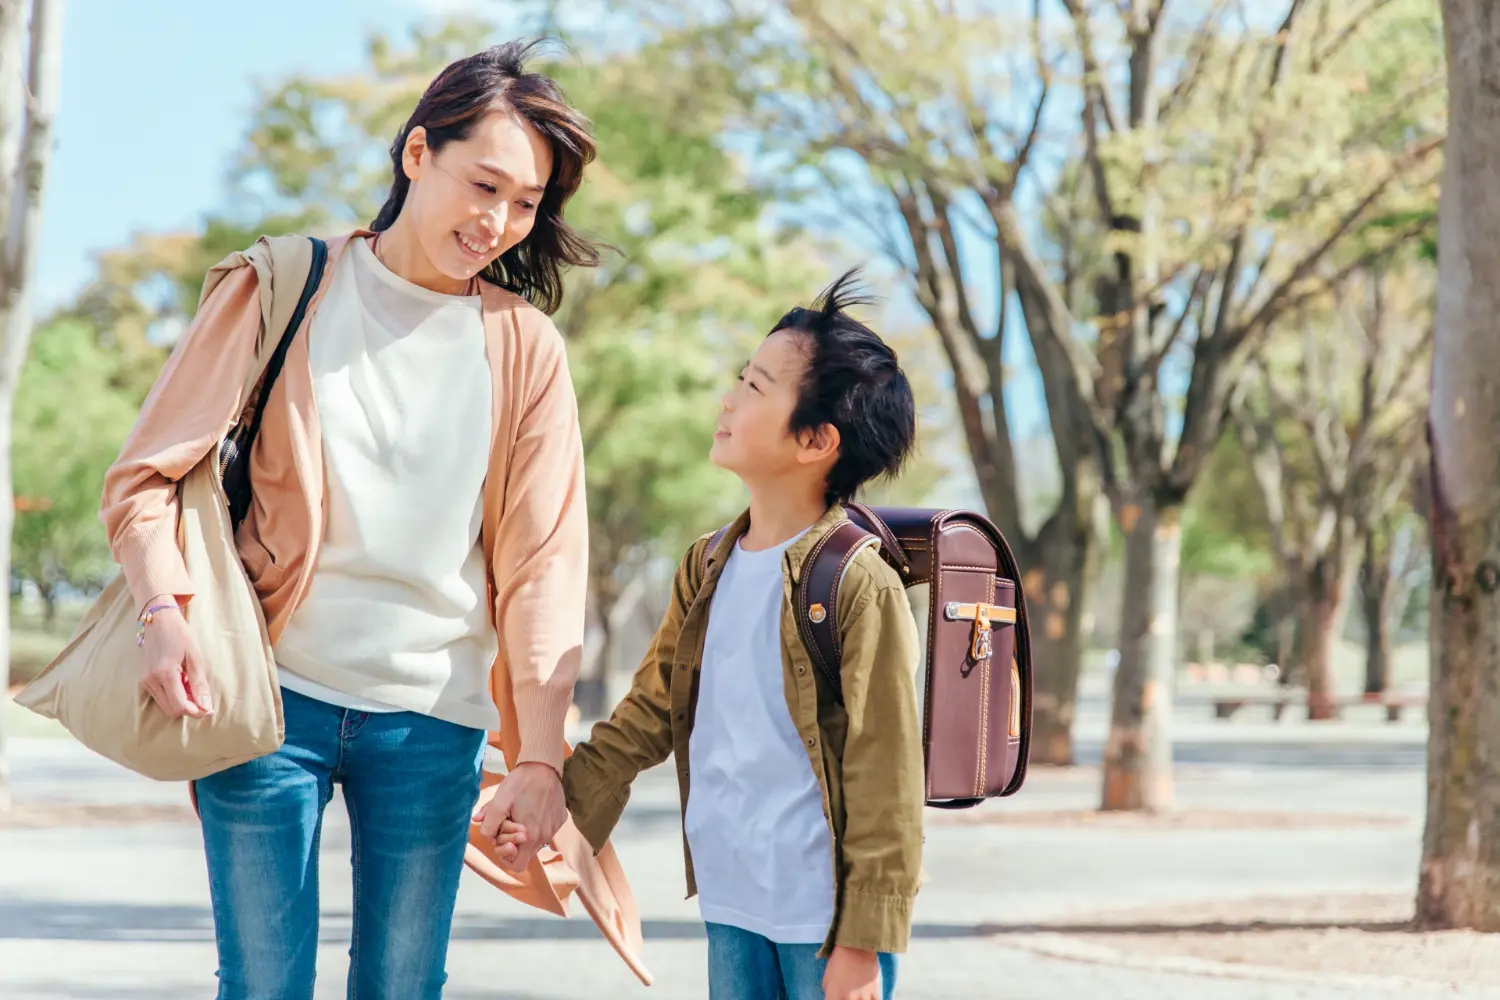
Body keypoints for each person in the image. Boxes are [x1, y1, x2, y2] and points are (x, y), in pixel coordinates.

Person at [103, 40, 640, 999]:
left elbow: (543, 569)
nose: (499, 221)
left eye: (526, 204)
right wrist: (163, 611)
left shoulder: (523, 349)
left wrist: (539, 755)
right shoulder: (283, 285)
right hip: (269, 703)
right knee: (262, 985)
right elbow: (147, 477)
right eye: (485, 185)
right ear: (418, 153)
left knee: (402, 986)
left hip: (433, 725)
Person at [484, 273, 926, 1000]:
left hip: (822, 917)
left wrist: (863, 940)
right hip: (730, 896)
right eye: (740, 379)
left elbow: (888, 776)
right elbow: (648, 714)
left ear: (816, 440)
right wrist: (554, 803)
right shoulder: (708, 562)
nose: (729, 399)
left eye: (755, 387)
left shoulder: (856, 581)